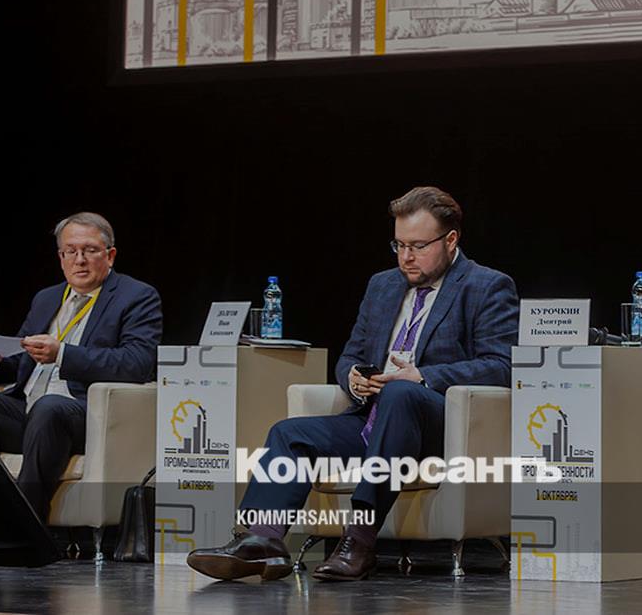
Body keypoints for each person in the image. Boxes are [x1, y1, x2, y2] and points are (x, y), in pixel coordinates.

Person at [187, 186, 519, 582]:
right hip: (373, 419)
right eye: (399, 245)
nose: (406, 257)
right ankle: (262, 541)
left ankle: (359, 542)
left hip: (438, 425)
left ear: (450, 240)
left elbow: (501, 366)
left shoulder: (485, 286)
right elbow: (350, 355)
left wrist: (423, 376)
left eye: (418, 246)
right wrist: (354, 378)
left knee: (401, 393)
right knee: (290, 434)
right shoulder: (382, 286)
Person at [0, 212, 163, 521]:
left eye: (90, 250)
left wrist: (63, 354)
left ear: (110, 255)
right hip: (29, 413)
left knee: (50, 406)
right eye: (71, 251)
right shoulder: (47, 298)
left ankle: (25, 524)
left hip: (83, 416)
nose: (80, 260)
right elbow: (20, 361)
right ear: (61, 257)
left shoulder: (137, 296)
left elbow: (137, 363)